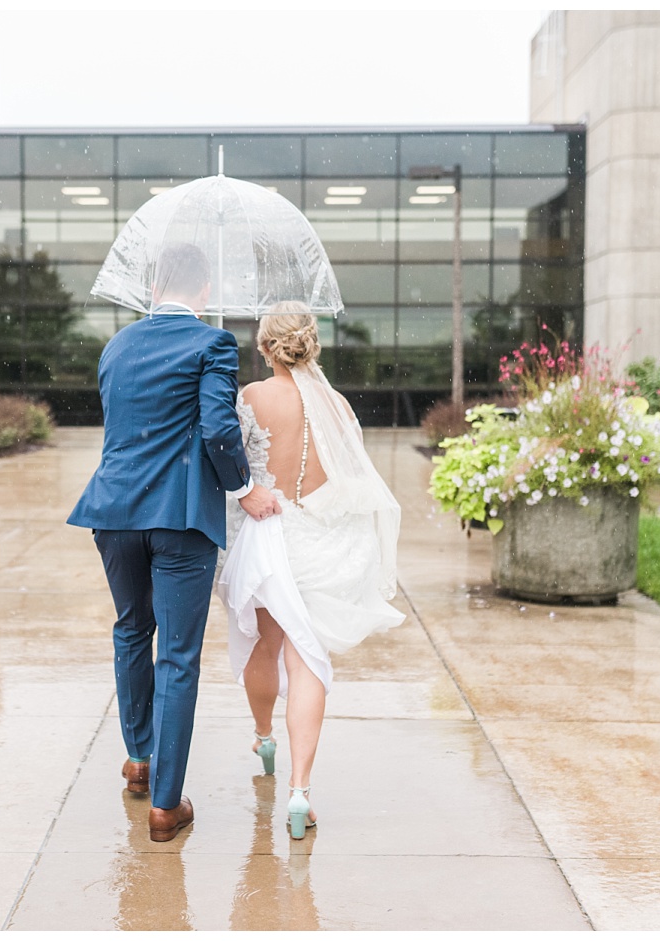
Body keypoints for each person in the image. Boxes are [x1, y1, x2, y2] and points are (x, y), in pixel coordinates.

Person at [67, 243, 281, 842]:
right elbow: (217, 427)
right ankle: (166, 805)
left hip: (113, 512)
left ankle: (139, 759)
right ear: (204, 291)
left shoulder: (116, 347)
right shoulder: (212, 345)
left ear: (155, 286)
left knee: (132, 629)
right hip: (180, 517)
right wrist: (243, 488)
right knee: (178, 656)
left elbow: (124, 427)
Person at [216, 302, 405, 839]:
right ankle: (300, 792)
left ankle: (262, 734)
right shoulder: (339, 406)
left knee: (264, 645)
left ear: (265, 347)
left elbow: (232, 462)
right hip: (322, 542)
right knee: (307, 663)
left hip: (268, 538)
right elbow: (350, 480)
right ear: (310, 344)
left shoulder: (250, 397)